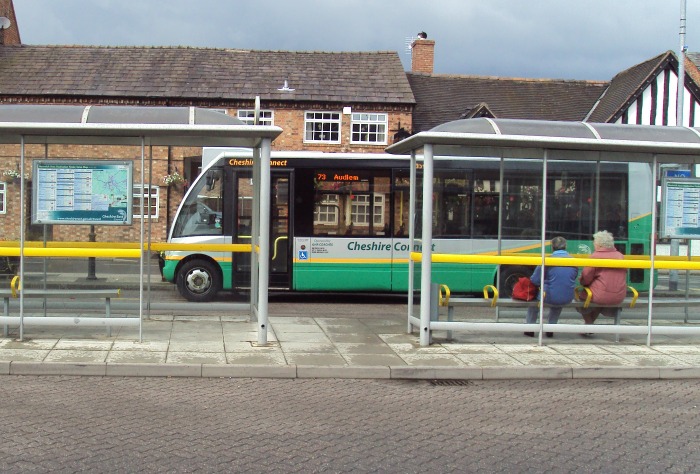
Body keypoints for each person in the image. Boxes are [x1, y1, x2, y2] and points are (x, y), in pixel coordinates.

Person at [524, 236, 578, 338]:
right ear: (565, 247)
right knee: (558, 298)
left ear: (552, 247)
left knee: (534, 303)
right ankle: (551, 327)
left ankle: (530, 328)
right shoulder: (574, 261)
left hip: (547, 296)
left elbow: (534, 280)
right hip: (567, 297)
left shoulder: (547, 260)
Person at [577, 230, 627, 326]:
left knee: (582, 299)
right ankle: (589, 326)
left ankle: (589, 324)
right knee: (597, 301)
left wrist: (582, 281)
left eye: (594, 242)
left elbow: (586, 278)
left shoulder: (595, 256)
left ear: (599, 245)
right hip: (619, 296)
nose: (593, 244)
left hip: (600, 296)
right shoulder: (620, 256)